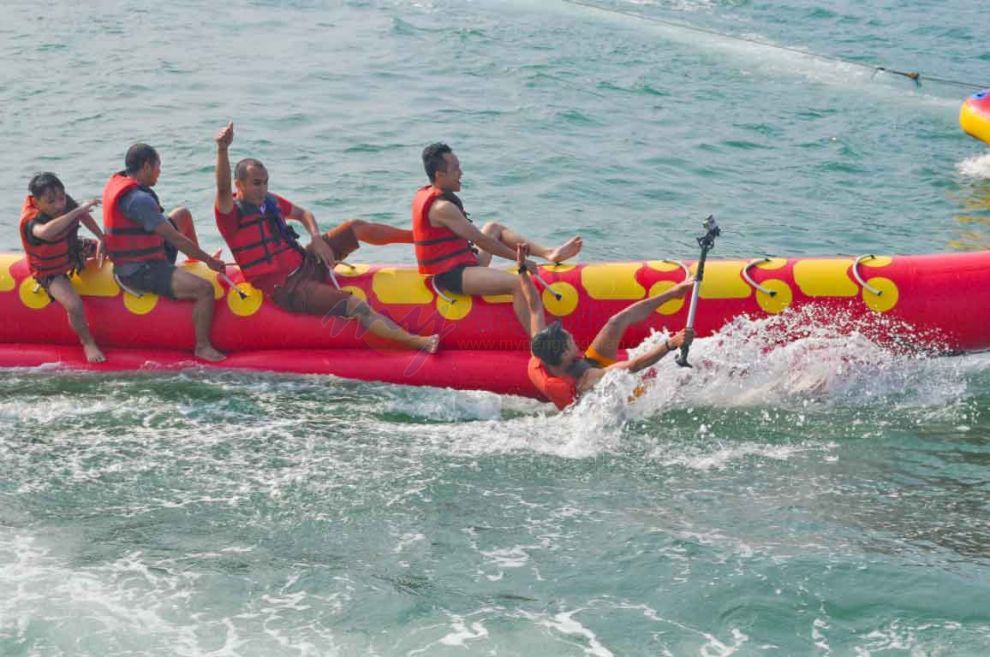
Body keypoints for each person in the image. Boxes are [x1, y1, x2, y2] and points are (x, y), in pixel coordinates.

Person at [213, 122, 439, 352]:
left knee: (355, 227)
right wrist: (223, 149)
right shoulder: (230, 216)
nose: (262, 189)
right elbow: (221, 189)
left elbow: (303, 213)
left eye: (265, 183)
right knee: (356, 306)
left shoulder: (269, 201)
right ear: (239, 185)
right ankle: (418, 343)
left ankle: (420, 238)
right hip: (289, 288)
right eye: (256, 184)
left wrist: (317, 239)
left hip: (307, 262)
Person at [412, 143, 582, 332]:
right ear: (439, 175)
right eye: (455, 169)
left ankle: (549, 253)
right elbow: (482, 241)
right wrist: (521, 261)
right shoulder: (442, 208)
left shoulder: (435, 196)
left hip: (466, 262)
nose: (461, 173)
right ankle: (540, 343)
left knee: (493, 227)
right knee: (518, 284)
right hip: (452, 275)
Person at [102, 143, 226, 361]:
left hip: (147, 252)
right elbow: (175, 238)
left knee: (183, 215)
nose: (160, 171)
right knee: (205, 289)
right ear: (147, 166)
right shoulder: (138, 200)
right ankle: (202, 346)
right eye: (158, 165)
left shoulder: (122, 183)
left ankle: (191, 260)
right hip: (139, 270)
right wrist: (209, 262)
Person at [521, 258, 695, 410]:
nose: (573, 338)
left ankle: (674, 293)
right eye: (570, 339)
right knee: (658, 385)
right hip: (603, 397)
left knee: (616, 322)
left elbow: (535, 307)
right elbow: (634, 365)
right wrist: (670, 343)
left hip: (589, 365)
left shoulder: (540, 353)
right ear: (566, 352)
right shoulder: (587, 380)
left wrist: (523, 270)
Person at [19, 172, 107, 363]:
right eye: (51, 202)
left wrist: (102, 238)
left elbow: (84, 216)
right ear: (36, 202)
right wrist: (76, 211)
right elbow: (46, 233)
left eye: (61, 198)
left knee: (114, 251)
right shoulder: (31, 221)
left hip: (71, 249)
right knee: (74, 304)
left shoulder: (64, 201)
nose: (59, 205)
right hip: (48, 270)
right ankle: (88, 343)